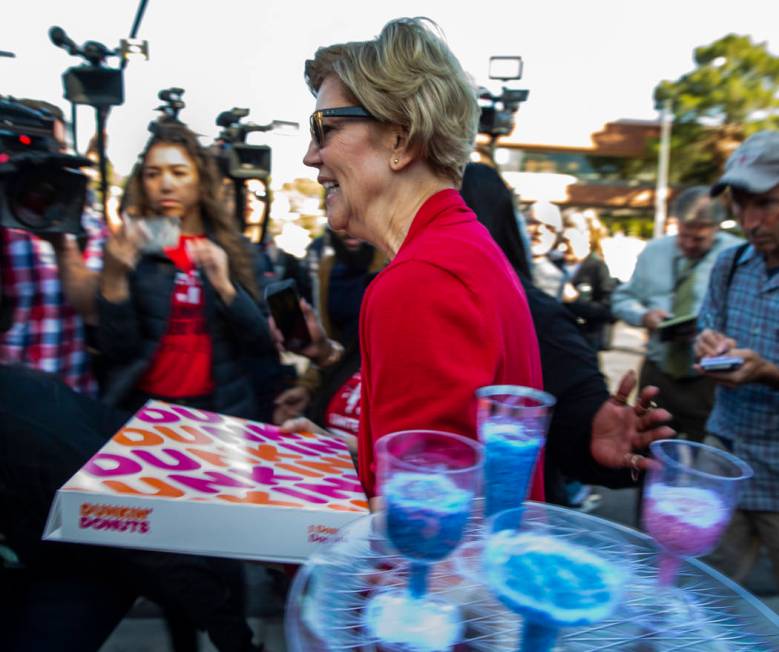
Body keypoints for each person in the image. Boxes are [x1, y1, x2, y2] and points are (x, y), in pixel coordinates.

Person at [301, 18, 543, 500]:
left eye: (324, 128)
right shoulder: (457, 250)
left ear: (402, 139)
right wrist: (338, 460)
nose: (311, 156)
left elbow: (420, 535)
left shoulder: (422, 280)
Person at [97, 121, 275, 419]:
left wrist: (226, 287)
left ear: (200, 180)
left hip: (218, 411)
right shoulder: (130, 247)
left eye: (179, 173)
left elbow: (262, 343)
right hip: (144, 411)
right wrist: (113, 278)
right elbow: (118, 351)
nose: (165, 184)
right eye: (153, 174)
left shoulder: (236, 249)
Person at [695, 131, 779, 588]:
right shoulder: (730, 266)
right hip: (724, 454)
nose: (750, 221)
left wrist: (769, 373)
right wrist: (708, 348)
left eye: (765, 203)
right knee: (706, 589)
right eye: (740, 204)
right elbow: (706, 329)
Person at [611, 186, 741, 442]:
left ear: (716, 228)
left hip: (707, 379)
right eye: (684, 235)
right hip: (658, 372)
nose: (689, 244)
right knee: (645, 448)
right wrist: (644, 316)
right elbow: (622, 298)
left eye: (699, 239)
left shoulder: (737, 256)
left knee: (706, 455)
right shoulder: (654, 252)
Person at [0, 99, 106, 396]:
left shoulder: (85, 224)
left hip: (70, 394)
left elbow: (93, 311)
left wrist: (62, 243)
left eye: (53, 148)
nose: (38, 159)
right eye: (25, 147)